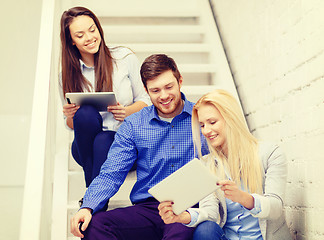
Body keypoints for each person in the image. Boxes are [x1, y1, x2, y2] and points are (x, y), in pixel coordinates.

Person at [70, 54, 208, 239]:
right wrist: (88, 206)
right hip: (149, 209)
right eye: (156, 90)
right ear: (146, 90)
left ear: (180, 81)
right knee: (95, 225)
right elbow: (111, 173)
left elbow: (221, 162)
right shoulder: (134, 124)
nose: (164, 96)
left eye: (169, 87)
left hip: (188, 207)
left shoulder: (203, 118)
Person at [158, 89, 292, 240]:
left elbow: (275, 208)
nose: (206, 131)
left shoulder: (270, 153)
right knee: (206, 229)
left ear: (231, 119)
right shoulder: (207, 164)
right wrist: (183, 217)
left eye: (212, 122)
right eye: (202, 125)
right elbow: (210, 212)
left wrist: (243, 198)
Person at [59, 7, 150, 188]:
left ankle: (91, 197)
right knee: (84, 114)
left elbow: (146, 100)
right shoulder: (67, 74)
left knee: (104, 140)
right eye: (80, 35)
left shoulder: (124, 58)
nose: (90, 37)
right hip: (85, 148)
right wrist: (70, 115)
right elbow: (70, 125)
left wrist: (126, 111)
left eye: (92, 30)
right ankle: (94, 196)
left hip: (124, 145)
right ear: (71, 41)